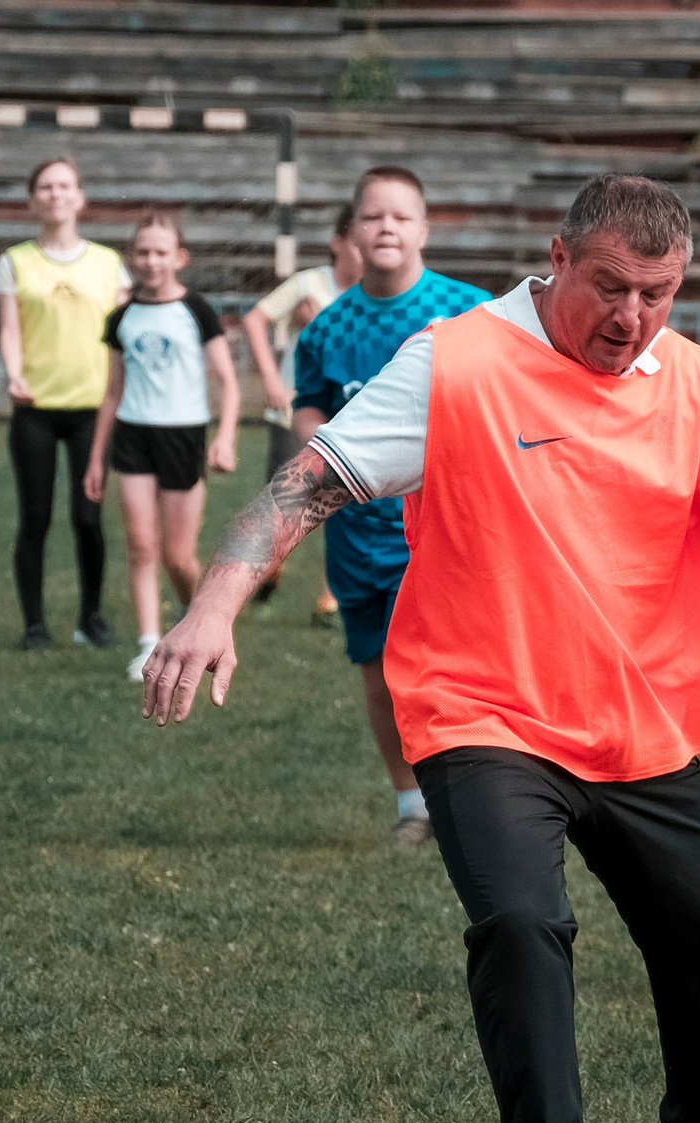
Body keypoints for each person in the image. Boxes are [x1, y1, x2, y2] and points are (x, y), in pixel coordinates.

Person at [139, 174, 700, 1123]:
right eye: (610, 287)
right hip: (482, 708)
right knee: (522, 923)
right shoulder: (456, 362)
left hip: (636, 717)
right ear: (556, 257)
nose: (632, 317)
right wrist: (215, 604)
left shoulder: (693, 378)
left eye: (657, 294)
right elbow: (308, 482)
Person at [291, 166, 490, 847]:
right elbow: (310, 404)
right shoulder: (327, 328)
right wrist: (318, 448)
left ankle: (477, 802)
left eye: (401, 217)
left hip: (448, 529)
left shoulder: (470, 312)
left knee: (454, 668)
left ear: (424, 230)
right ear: (350, 232)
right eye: (373, 217)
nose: (387, 228)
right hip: (358, 534)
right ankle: (413, 809)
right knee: (379, 672)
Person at [81, 214, 237, 683]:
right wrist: (96, 459)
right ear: (133, 257)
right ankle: (149, 643)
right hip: (133, 436)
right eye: (143, 252)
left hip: (183, 436)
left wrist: (225, 436)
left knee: (178, 556)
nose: (151, 261)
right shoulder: (122, 317)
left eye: (161, 252)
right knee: (141, 545)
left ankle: (202, 616)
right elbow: (112, 392)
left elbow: (229, 383)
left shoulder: (197, 311)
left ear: (179, 258)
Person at [0, 156, 129, 652]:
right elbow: (7, 328)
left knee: (88, 518)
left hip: (94, 408)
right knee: (35, 518)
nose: (55, 194)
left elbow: (123, 336)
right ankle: (34, 626)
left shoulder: (110, 263)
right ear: (33, 200)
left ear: (80, 198)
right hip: (36, 409)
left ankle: (91, 618)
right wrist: (15, 373)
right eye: (45, 186)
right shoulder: (15, 261)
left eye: (64, 185)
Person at [243, 204, 361, 480]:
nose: (364, 253)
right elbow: (254, 320)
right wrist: (272, 379)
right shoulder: (310, 283)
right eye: (356, 244)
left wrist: (320, 324)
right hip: (294, 412)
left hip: (348, 415)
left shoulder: (375, 296)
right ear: (337, 243)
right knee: (283, 504)